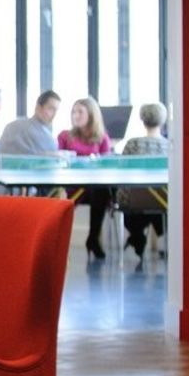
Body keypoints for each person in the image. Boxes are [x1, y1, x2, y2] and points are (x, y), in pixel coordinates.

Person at [58, 97, 113, 259]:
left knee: (101, 191)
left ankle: (93, 239)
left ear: (91, 114)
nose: (75, 115)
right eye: (73, 112)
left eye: (80, 111)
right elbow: (58, 160)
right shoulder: (64, 136)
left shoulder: (102, 138)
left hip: (93, 187)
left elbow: (106, 164)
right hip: (71, 186)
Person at [119, 103, 170, 257]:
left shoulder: (132, 144)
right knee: (160, 204)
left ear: (142, 119)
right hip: (162, 201)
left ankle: (136, 237)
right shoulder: (169, 146)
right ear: (163, 120)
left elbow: (121, 172)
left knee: (126, 197)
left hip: (133, 202)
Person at [0, 90, 62, 156]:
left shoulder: (10, 126)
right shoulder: (45, 138)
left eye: (56, 110)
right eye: (51, 109)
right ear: (38, 108)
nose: (54, 115)